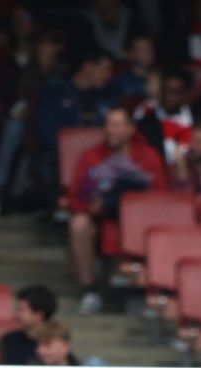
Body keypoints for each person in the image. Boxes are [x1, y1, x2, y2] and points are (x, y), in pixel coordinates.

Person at [64, 108, 164, 313]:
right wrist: (92, 208)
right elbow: (74, 197)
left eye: (117, 125)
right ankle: (90, 289)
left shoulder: (149, 156)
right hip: (101, 219)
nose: (111, 130)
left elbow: (161, 198)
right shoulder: (91, 156)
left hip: (140, 220)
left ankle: (146, 292)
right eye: (108, 125)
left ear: (130, 129)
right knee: (79, 224)